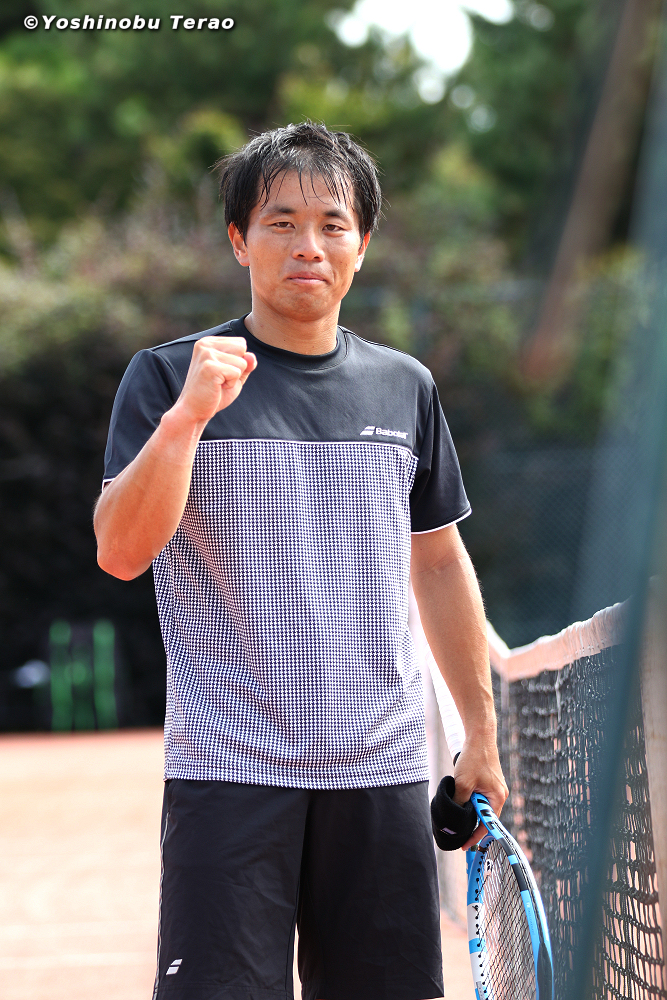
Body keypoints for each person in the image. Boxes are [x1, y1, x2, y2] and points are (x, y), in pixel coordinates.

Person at [94, 120, 507, 1000]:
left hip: (382, 770)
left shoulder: (405, 387)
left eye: (331, 224)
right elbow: (122, 551)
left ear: (362, 244)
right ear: (239, 240)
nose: (307, 246)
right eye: (279, 223)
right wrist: (188, 420)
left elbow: (439, 563)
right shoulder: (168, 378)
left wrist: (480, 734)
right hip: (228, 770)